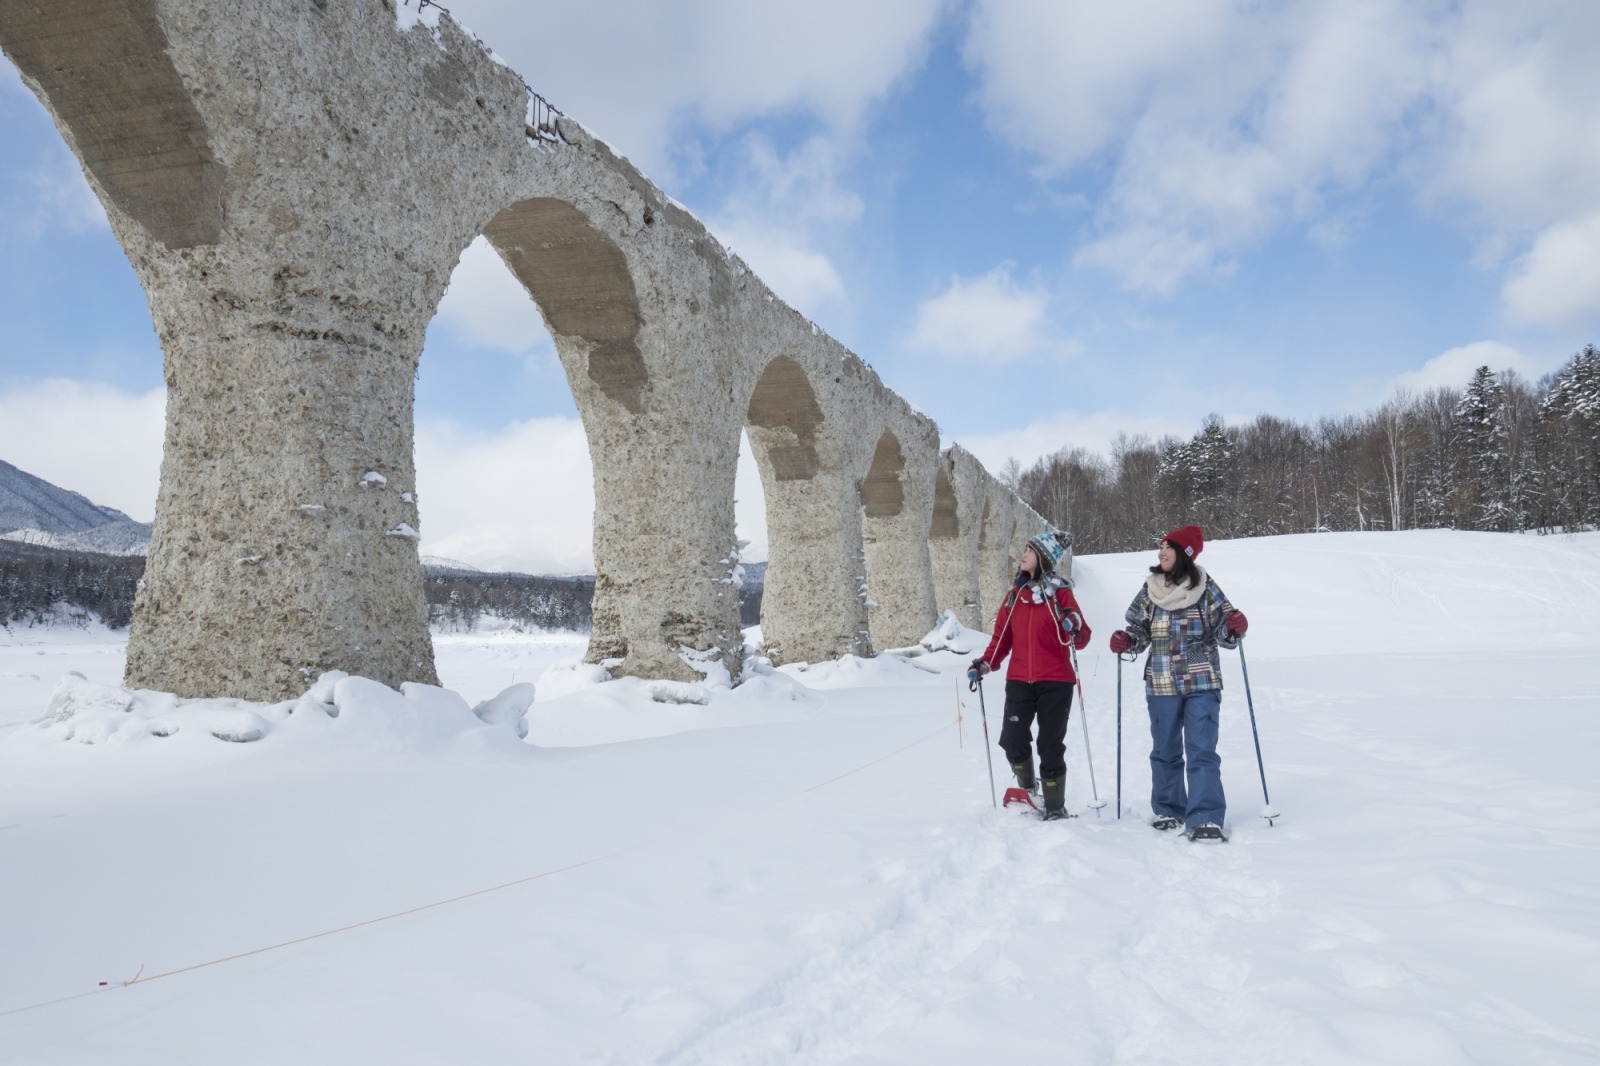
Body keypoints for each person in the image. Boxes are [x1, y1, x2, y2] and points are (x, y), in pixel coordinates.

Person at [1107, 525, 1248, 841]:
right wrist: (1127, 640)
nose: (1161, 552)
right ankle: (1169, 810)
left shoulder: (1205, 588)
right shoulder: (1151, 588)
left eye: (1167, 547)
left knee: (1202, 750)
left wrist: (1235, 627)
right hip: (1161, 682)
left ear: (1184, 554)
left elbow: (1226, 630)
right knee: (1165, 750)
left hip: (1201, 678)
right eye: (1159, 547)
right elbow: (1139, 629)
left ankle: (1206, 817)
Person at [966, 530, 1091, 820]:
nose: (1023, 555)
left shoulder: (1061, 595)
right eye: (1024, 550)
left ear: (1043, 559)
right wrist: (985, 663)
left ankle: (1055, 804)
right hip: (1020, 680)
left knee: (1049, 744)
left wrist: (1072, 622)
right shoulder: (1014, 597)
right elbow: (1001, 639)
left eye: (1030, 551)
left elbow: (1082, 637)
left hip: (1056, 681)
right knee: (1012, 739)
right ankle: (1027, 787)